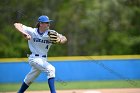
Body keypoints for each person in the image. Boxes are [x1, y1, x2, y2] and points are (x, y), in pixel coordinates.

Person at [14, 15, 67, 93]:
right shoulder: (32, 31)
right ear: (40, 24)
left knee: (29, 79)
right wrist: (24, 33)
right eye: (46, 23)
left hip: (43, 59)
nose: (48, 24)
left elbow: (64, 38)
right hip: (34, 58)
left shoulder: (51, 33)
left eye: (48, 22)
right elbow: (17, 24)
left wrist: (59, 40)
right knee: (51, 69)